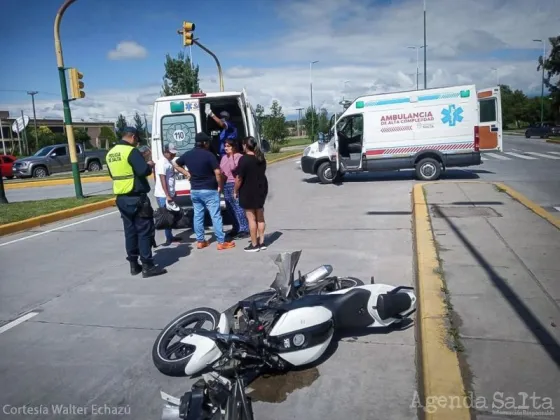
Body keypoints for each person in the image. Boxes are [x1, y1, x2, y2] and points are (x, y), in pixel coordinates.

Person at [106, 127, 167, 277]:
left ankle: (134, 265)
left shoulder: (110, 153)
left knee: (130, 231)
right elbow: (142, 171)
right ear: (133, 137)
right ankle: (147, 265)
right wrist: (149, 165)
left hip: (121, 198)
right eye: (137, 139)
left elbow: (112, 174)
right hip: (136, 197)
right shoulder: (131, 151)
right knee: (144, 231)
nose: (137, 143)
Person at [174, 132, 236, 250]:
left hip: (195, 190)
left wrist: (187, 173)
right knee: (215, 215)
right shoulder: (209, 155)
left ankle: (200, 241)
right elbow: (217, 172)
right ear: (204, 143)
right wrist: (219, 186)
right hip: (209, 189)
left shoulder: (188, 155)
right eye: (207, 142)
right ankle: (221, 242)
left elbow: (175, 164)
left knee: (198, 216)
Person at [234, 136, 268, 252]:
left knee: (251, 219)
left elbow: (239, 178)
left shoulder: (244, 159)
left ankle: (254, 244)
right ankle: (262, 242)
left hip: (248, 191)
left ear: (245, 145)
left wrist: (235, 191)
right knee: (260, 217)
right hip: (261, 189)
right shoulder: (261, 158)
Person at [154, 143, 184, 246]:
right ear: (165, 152)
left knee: (170, 215)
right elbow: (163, 179)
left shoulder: (168, 161)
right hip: (163, 195)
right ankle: (168, 238)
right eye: (171, 153)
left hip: (168, 193)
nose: (173, 155)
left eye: (174, 154)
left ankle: (170, 236)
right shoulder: (162, 162)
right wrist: (167, 195)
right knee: (166, 216)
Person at [220, 138, 250, 240]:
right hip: (226, 184)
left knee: (238, 207)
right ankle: (235, 227)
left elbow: (233, 168)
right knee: (230, 208)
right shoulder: (224, 158)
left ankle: (244, 228)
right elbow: (221, 171)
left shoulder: (239, 157)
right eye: (225, 146)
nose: (226, 148)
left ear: (233, 147)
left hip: (235, 183)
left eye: (228, 146)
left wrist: (231, 155)